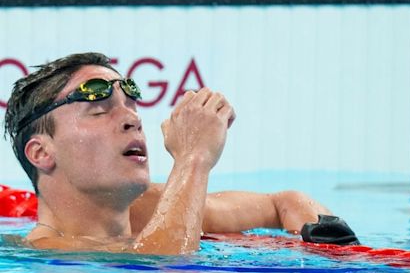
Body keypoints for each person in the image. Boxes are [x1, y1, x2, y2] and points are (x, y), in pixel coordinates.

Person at [3, 52, 331, 255]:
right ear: (42, 153)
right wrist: (193, 158)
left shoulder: (152, 209)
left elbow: (284, 202)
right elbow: (167, 269)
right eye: (99, 110)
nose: (133, 119)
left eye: (130, 105)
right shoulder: (50, 254)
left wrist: (329, 252)